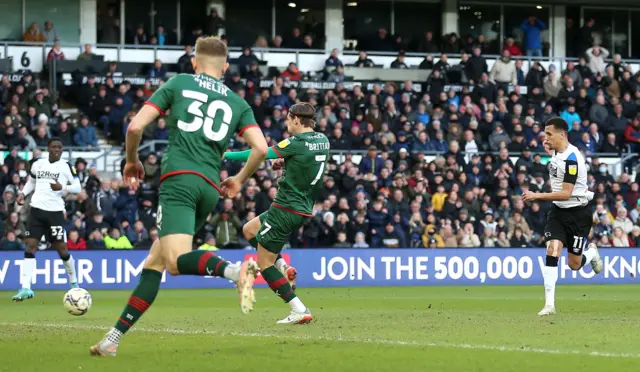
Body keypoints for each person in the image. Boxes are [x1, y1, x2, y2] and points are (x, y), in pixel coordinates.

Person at [90, 36, 267, 357]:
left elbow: (134, 128)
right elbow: (262, 148)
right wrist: (240, 180)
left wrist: (131, 160)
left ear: (195, 62)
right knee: (156, 262)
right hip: (210, 189)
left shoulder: (180, 83)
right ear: (225, 67)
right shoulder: (237, 102)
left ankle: (233, 271)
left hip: (179, 183)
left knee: (173, 261)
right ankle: (111, 341)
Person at [225, 102, 329, 324]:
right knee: (249, 230)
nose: (286, 123)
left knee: (264, 264)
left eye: (288, 118)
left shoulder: (296, 142)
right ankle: (285, 267)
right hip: (301, 209)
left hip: (285, 209)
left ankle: (298, 309)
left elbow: (260, 152)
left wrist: (226, 155)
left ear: (296, 120)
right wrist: (286, 164)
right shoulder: (322, 140)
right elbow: (307, 163)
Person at [522, 117, 603, 316]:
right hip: (558, 212)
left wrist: (536, 195)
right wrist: (550, 150)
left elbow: (566, 193)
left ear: (562, 134)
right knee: (552, 249)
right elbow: (556, 161)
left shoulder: (573, 159)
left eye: (549, 134)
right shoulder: (558, 152)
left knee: (574, 264)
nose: (545, 137)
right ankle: (549, 305)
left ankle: (591, 253)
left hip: (578, 213)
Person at [12, 138, 82, 301]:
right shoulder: (38, 164)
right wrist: (23, 193)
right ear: (48, 149)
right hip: (36, 210)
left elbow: (78, 187)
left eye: (60, 147)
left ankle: (74, 283)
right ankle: (26, 288)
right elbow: (32, 181)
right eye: (54, 147)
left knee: (62, 249)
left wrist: (63, 188)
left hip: (55, 212)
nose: (57, 149)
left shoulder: (66, 167)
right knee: (30, 246)